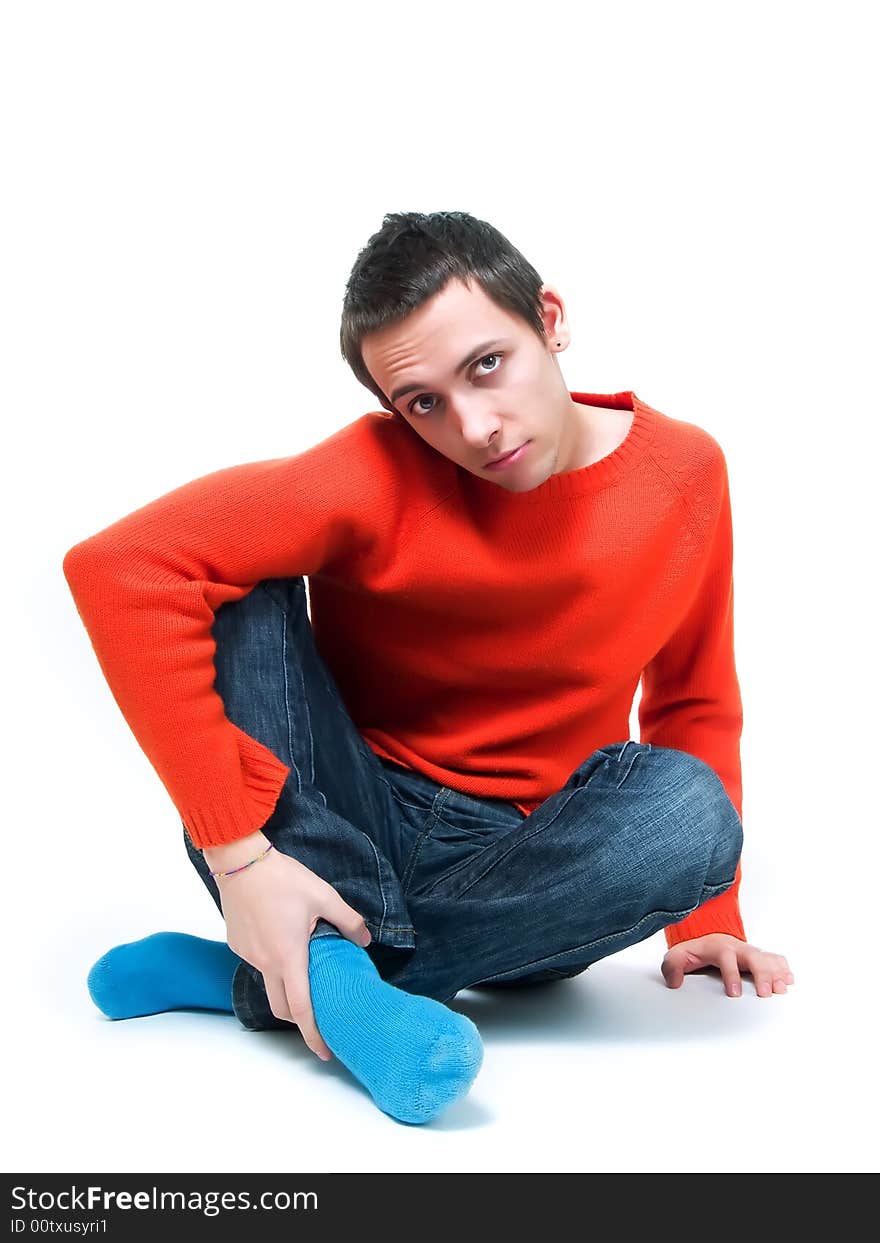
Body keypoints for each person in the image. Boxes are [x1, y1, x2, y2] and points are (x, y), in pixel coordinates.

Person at [62, 209, 794, 1126]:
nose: (475, 425)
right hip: (335, 821)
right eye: (424, 402)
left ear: (551, 318)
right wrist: (242, 860)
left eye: (488, 364)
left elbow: (693, 693)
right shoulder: (374, 472)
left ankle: (288, 976)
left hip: (529, 865)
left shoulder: (685, 472)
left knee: (690, 812)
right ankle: (317, 957)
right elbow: (119, 565)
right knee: (226, 581)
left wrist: (711, 916)